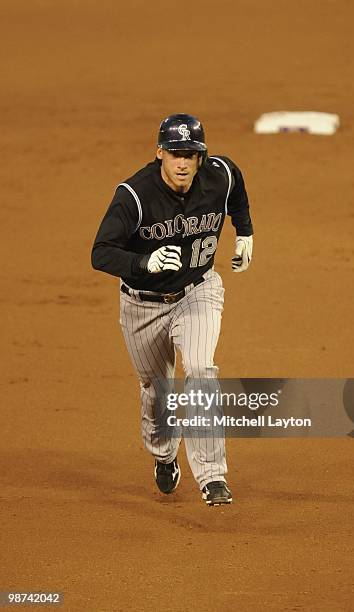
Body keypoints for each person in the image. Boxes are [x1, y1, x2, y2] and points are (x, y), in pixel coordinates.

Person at [91, 113, 253, 506]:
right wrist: (142, 264)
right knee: (156, 391)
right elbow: (101, 253)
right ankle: (165, 456)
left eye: (191, 154)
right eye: (175, 153)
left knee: (200, 369)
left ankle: (213, 476)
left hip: (197, 292)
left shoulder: (218, 175)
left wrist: (245, 232)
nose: (183, 163)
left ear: (201, 158)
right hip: (141, 305)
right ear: (160, 153)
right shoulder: (133, 195)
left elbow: (235, 185)